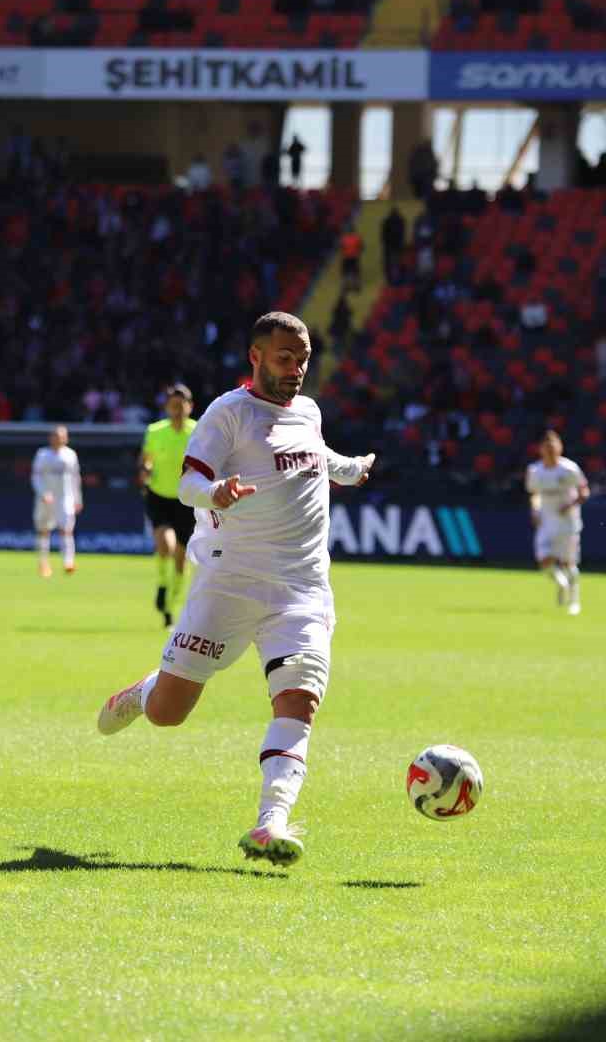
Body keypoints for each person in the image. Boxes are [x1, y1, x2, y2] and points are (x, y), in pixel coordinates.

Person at [95, 312, 375, 867]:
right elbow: (188, 483)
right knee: (169, 712)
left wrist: (348, 469)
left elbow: (314, 458)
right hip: (230, 582)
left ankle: (272, 821)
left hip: (302, 587)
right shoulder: (228, 413)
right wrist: (215, 491)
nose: (295, 370)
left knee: (299, 698)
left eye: (303, 360)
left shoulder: (309, 412)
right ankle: (144, 692)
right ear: (255, 356)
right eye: (284, 358)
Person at [140, 383, 198, 627]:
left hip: (187, 500)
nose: (177, 408)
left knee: (181, 560)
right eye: (173, 404)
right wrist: (145, 470)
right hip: (159, 496)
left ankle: (170, 607)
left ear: (190, 406)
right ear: (167, 407)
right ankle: (163, 585)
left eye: (181, 404)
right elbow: (146, 460)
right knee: (165, 543)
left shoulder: (198, 431)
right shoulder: (155, 431)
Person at [526, 430, 589, 615]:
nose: (551, 452)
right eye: (547, 449)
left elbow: (584, 491)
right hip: (546, 521)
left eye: (553, 448)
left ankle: (574, 602)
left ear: (560, 448)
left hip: (568, 523)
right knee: (544, 560)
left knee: (569, 563)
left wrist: (570, 505)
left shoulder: (569, 469)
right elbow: (534, 494)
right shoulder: (535, 471)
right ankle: (562, 584)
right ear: (541, 450)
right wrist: (535, 510)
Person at [31, 425, 82, 577]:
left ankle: (68, 562)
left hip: (65, 498)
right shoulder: (42, 454)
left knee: (66, 529)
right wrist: (43, 493)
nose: (60, 439)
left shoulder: (71, 455)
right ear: (51, 438)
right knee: (44, 531)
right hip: (46, 499)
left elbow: (75, 478)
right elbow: (36, 477)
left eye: (62, 436)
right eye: (57, 436)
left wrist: (78, 498)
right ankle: (43, 563)